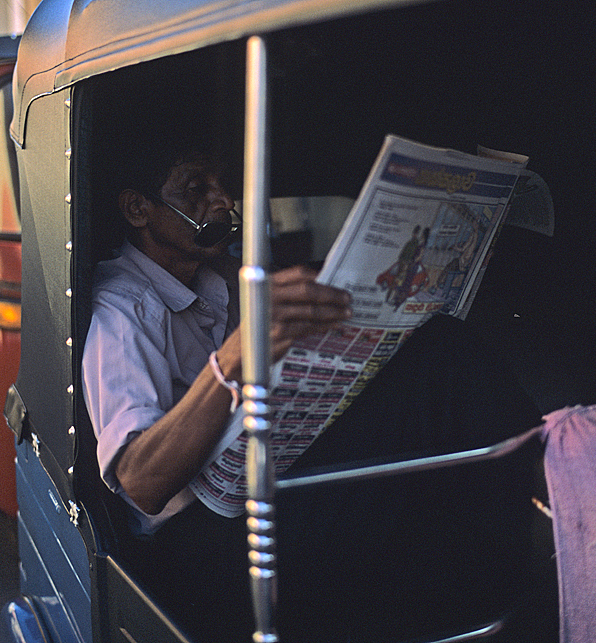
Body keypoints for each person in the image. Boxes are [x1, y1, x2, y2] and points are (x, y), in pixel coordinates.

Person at [83, 143, 545, 643]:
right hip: (200, 542)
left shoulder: (215, 284)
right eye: (197, 190)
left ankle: (528, 537)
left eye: (222, 187)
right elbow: (138, 482)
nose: (222, 204)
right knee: (435, 387)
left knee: (435, 353)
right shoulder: (121, 312)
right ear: (137, 209)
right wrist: (232, 363)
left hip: (267, 479)